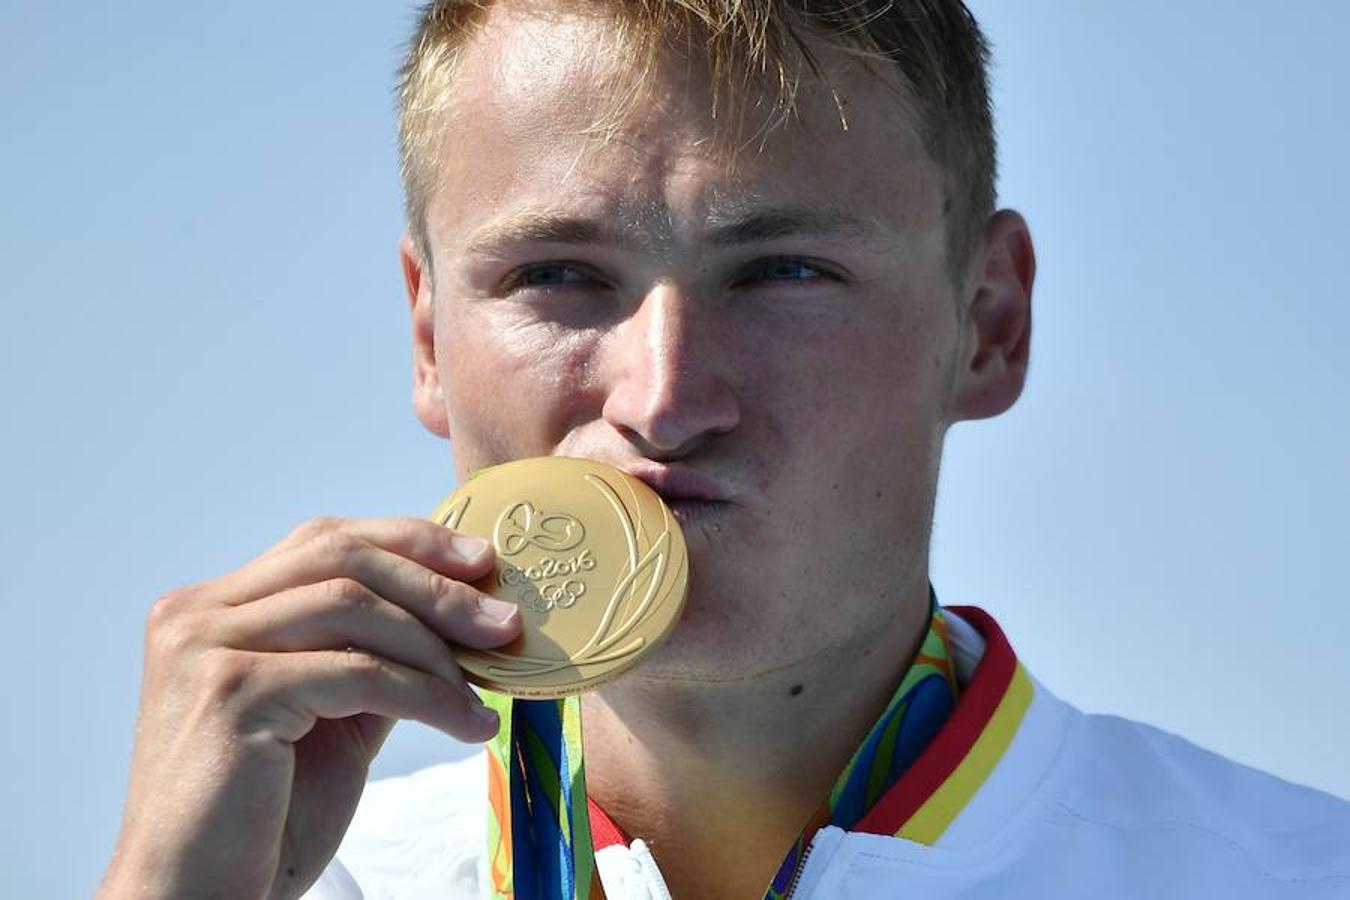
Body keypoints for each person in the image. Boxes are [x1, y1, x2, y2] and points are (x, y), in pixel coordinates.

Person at [97, 1, 1350, 898]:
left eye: (786, 270)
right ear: (429, 336)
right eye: (558, 275)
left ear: (989, 323)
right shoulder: (285, 885)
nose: (665, 396)